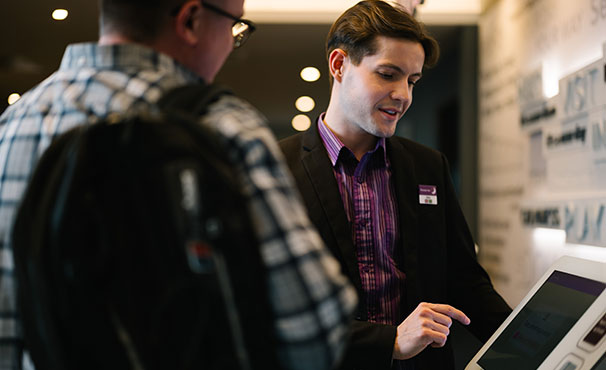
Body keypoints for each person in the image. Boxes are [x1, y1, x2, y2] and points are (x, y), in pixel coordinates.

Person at [0, 0, 357, 369]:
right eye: (235, 28)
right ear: (190, 20)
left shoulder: (14, 123)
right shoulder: (220, 126)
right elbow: (316, 330)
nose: (231, 46)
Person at [279, 1, 512, 369]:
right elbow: (266, 307)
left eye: (412, 81)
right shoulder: (277, 171)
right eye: (388, 74)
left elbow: (466, 282)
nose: (403, 95)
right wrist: (388, 341)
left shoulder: (427, 166)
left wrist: (533, 351)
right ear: (340, 65)